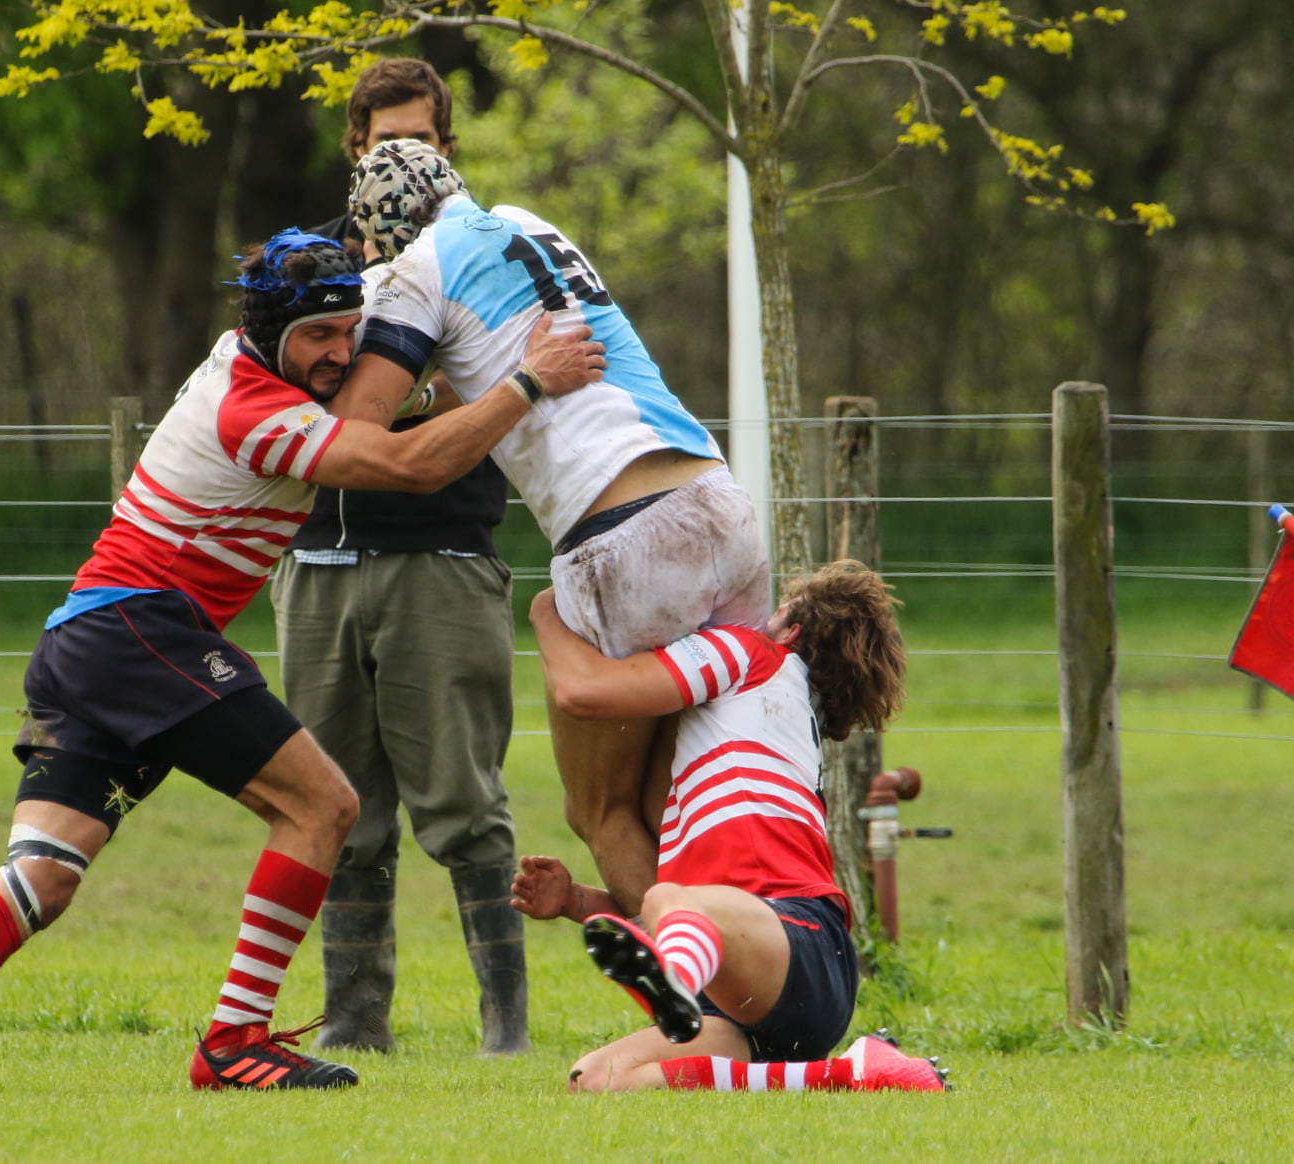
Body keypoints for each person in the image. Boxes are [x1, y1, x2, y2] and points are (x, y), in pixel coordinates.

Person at [0, 230, 604, 1096]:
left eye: (350, 331)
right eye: (319, 339)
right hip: (141, 632)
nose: (341, 354)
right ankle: (234, 1040)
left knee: (46, 874)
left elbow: (380, 403)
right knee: (325, 806)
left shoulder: (250, 360)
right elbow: (410, 465)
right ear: (272, 335)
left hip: (84, 643)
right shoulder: (254, 413)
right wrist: (527, 381)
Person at [344, 140, 772, 918]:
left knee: (602, 815)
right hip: (720, 502)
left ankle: (714, 1008)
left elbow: (359, 422)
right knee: (698, 799)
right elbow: (481, 363)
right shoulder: (523, 221)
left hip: (623, 537)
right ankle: (769, 973)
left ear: (386, 229)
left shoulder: (413, 269)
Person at [272, 59, 528, 1057]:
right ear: (354, 150)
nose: (402, 162)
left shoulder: (489, 257)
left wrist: (382, 408)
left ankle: (503, 1025)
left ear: (450, 149)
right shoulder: (312, 270)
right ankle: (352, 1021)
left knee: (465, 805)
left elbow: (501, 385)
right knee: (339, 811)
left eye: (420, 143)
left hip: (444, 558)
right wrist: (413, 406)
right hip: (318, 571)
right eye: (385, 146)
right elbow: (284, 400)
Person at [510, 561, 947, 1094]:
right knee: (593, 1080)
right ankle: (844, 1073)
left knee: (674, 898)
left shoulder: (751, 653)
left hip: (799, 942)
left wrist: (543, 613)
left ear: (793, 630)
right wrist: (577, 901)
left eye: (777, 609)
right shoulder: (767, 730)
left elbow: (585, 693)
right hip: (750, 1001)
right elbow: (692, 921)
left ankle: (675, 981)